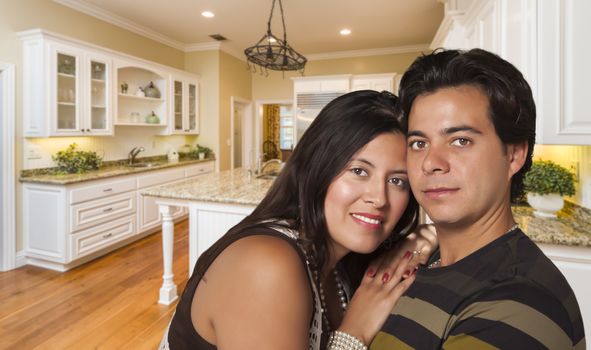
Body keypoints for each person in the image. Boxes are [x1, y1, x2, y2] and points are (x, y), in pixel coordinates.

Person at [160, 90, 438, 350]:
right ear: (317, 168)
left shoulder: (340, 259)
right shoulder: (264, 265)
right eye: (359, 171)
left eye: (397, 180)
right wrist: (354, 334)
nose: (379, 198)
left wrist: (418, 242)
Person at [371, 48, 586, 349]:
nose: (431, 162)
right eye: (419, 143)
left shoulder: (516, 306)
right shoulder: (431, 261)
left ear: (513, 155)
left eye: (460, 140)